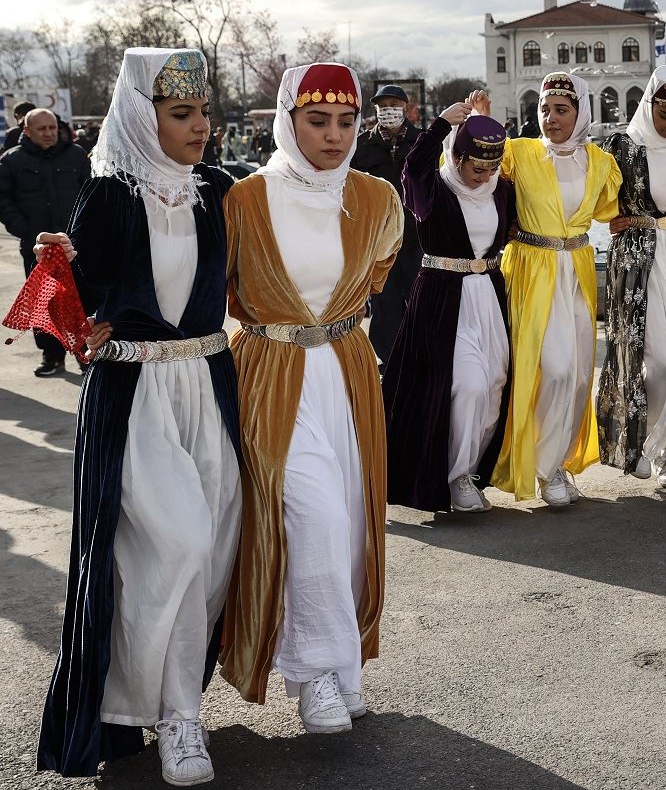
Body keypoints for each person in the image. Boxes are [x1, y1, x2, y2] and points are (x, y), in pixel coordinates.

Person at [35, 49, 242, 785]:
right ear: (139, 115)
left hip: (210, 387)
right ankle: (178, 716)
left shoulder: (218, 189)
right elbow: (70, 312)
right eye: (180, 114)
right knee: (177, 545)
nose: (199, 127)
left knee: (213, 552)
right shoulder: (109, 195)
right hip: (135, 393)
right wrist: (58, 272)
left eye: (202, 112)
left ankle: (168, 695)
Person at [218, 63, 404, 734]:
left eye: (346, 121)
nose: (333, 134)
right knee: (315, 517)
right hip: (271, 374)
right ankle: (316, 673)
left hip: (349, 373)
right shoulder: (243, 200)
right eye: (317, 120)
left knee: (349, 523)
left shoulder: (379, 199)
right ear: (286, 119)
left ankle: (341, 666)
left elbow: (377, 273)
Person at [486, 71, 620, 507]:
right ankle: (539, 467)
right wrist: (475, 124)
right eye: (544, 109)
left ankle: (560, 463)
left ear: (581, 112)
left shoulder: (600, 162)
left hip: (577, 269)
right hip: (531, 269)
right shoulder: (519, 153)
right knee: (551, 368)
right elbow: (469, 169)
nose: (550, 117)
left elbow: (610, 213)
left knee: (580, 373)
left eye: (561, 109)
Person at [384, 93, 514, 514]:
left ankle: (470, 470)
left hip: (488, 296)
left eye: (491, 167)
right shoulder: (432, 189)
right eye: (476, 167)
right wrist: (441, 123)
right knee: (467, 385)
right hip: (443, 298)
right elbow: (412, 166)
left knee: (493, 386)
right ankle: (453, 475)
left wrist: (485, 121)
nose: (483, 175)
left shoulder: (501, 190)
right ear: (456, 157)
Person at [597, 67, 666, 487]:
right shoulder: (621, 146)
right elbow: (597, 197)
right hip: (638, 257)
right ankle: (638, 439)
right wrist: (612, 219)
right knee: (653, 360)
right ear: (649, 106)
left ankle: (665, 451)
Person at [0, 106, 91, 375]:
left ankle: (84, 354)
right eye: (42, 129)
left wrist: (83, 233)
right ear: (26, 131)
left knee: (82, 301)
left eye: (52, 127)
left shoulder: (76, 155)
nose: (49, 133)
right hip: (37, 250)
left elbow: (90, 195)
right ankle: (51, 356)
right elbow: (4, 202)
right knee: (45, 306)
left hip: (75, 247)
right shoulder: (11, 162)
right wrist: (26, 231)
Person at [351, 83, 423, 368]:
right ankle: (391, 360)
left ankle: (419, 356)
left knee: (418, 303)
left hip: (416, 238)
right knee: (385, 304)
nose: (387, 111)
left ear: (405, 108)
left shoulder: (420, 142)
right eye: (382, 106)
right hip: (379, 242)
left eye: (394, 105)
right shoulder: (362, 145)